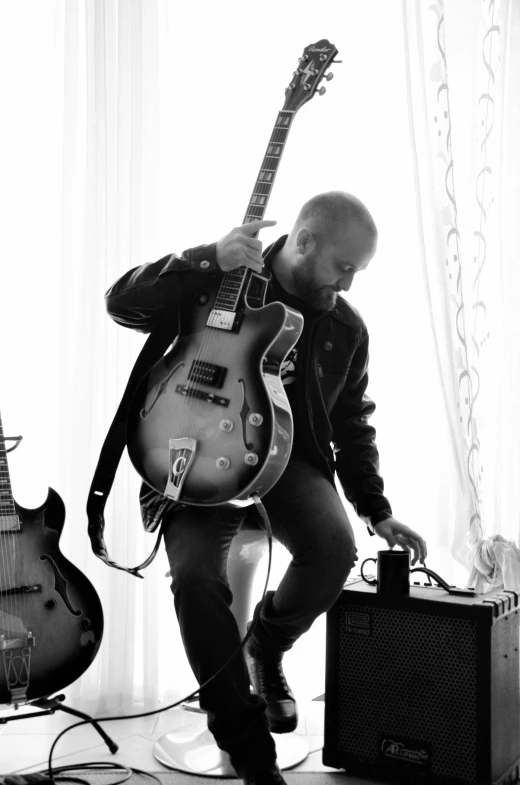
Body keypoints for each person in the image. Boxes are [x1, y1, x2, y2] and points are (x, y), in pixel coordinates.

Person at [105, 191, 428, 785]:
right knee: (198, 580)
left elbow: (353, 423)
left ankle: (266, 646)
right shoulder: (223, 281)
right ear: (304, 242)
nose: (350, 284)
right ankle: (245, 742)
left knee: (333, 551)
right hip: (197, 453)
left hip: (285, 462)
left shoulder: (345, 327)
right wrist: (207, 257)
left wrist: (376, 511)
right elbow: (120, 302)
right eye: (344, 266)